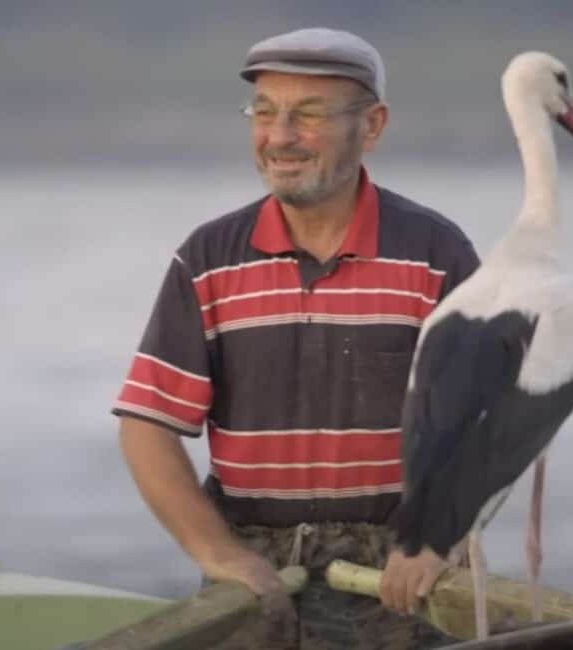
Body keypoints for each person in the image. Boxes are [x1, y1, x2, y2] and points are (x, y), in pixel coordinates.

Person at [113, 27, 479, 649]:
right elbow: (147, 424)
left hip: (398, 575)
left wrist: (437, 540)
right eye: (264, 112)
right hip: (255, 579)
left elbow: (484, 422)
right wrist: (219, 556)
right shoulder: (208, 260)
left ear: (374, 125)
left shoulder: (437, 256)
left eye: (307, 115)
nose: (279, 137)